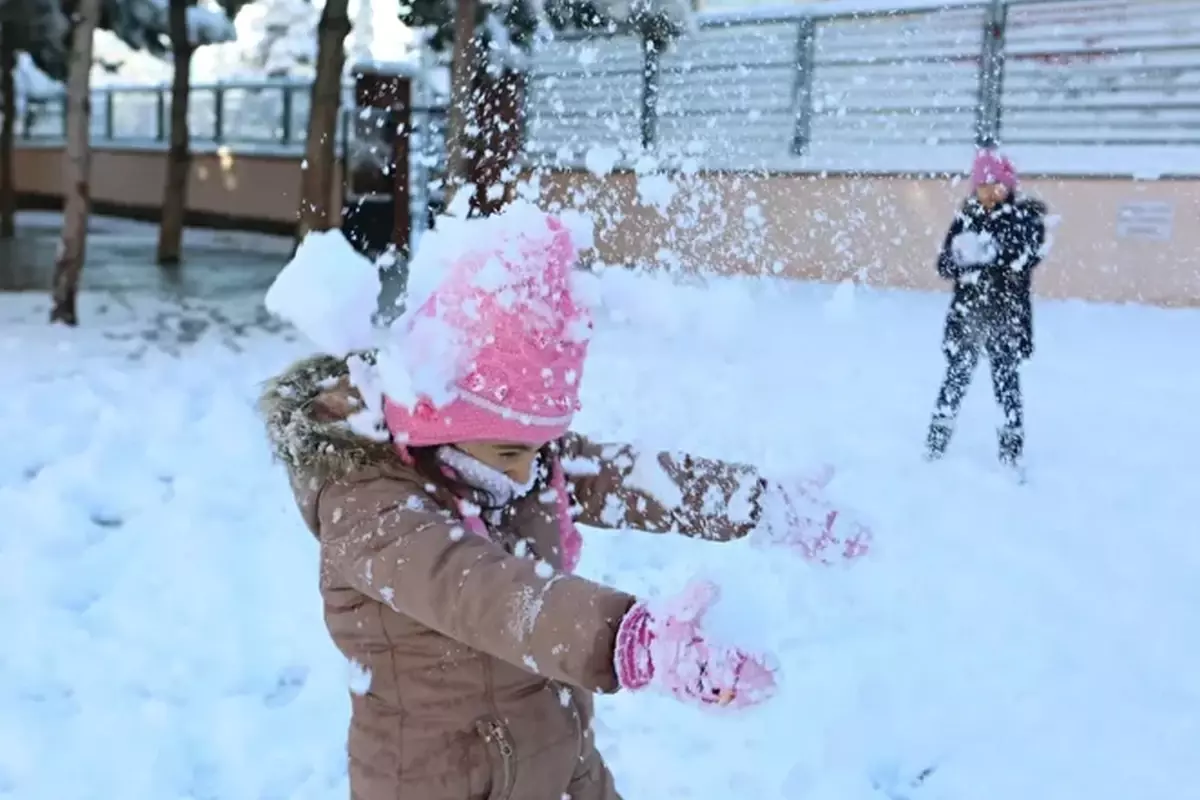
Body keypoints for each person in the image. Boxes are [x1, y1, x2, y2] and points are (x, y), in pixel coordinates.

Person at [259, 206, 871, 800]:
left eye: (540, 447)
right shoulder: (371, 509)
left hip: (557, 748)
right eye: (508, 452)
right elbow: (483, 592)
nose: (528, 471)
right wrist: (631, 639)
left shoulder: (507, 458)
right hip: (446, 775)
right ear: (432, 421)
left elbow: (627, 477)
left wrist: (756, 502)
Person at [925, 149, 1048, 472]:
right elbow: (945, 264)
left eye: (995, 186)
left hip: (1006, 317)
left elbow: (1024, 256)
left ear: (1008, 187)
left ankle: (1011, 450)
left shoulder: (1024, 218)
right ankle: (936, 441)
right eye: (981, 186)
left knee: (1006, 380)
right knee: (956, 376)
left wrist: (987, 253)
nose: (988, 193)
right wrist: (961, 259)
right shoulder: (966, 218)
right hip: (969, 316)